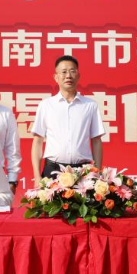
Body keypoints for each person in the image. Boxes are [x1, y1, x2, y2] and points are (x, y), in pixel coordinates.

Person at [30, 55, 106, 185]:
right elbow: (37, 141)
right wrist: (37, 175)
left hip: (82, 171)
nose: (68, 76)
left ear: (78, 75)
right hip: (52, 170)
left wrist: (97, 172)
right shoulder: (46, 105)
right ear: (56, 77)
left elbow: (96, 141)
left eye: (72, 71)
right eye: (64, 72)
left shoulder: (90, 105)